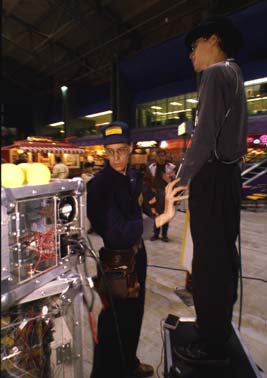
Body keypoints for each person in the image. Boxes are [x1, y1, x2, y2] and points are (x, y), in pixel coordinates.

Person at [173, 16, 248, 366]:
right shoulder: (236, 73)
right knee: (221, 259)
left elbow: (204, 137)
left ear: (213, 40)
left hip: (213, 178)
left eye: (193, 47)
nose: (191, 56)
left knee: (208, 265)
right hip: (228, 178)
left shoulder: (217, 74)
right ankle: (217, 332)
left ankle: (210, 342)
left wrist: (183, 177)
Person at [87, 121, 185, 378]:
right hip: (115, 263)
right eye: (110, 151)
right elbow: (114, 231)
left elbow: (147, 204)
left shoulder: (133, 177)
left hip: (137, 256)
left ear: (130, 148)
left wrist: (165, 199)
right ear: (104, 151)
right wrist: (159, 221)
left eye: (121, 149)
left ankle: (129, 363)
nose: (116, 157)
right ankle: (104, 374)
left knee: (135, 315)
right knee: (113, 325)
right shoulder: (98, 186)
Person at [148, 148, 176, 242]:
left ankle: (164, 235)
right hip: (155, 193)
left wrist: (168, 180)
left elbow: (174, 181)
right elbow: (148, 180)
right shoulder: (151, 166)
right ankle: (155, 234)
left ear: (165, 156)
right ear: (155, 156)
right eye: (158, 155)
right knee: (156, 213)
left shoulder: (170, 167)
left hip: (166, 194)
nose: (160, 157)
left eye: (162, 155)